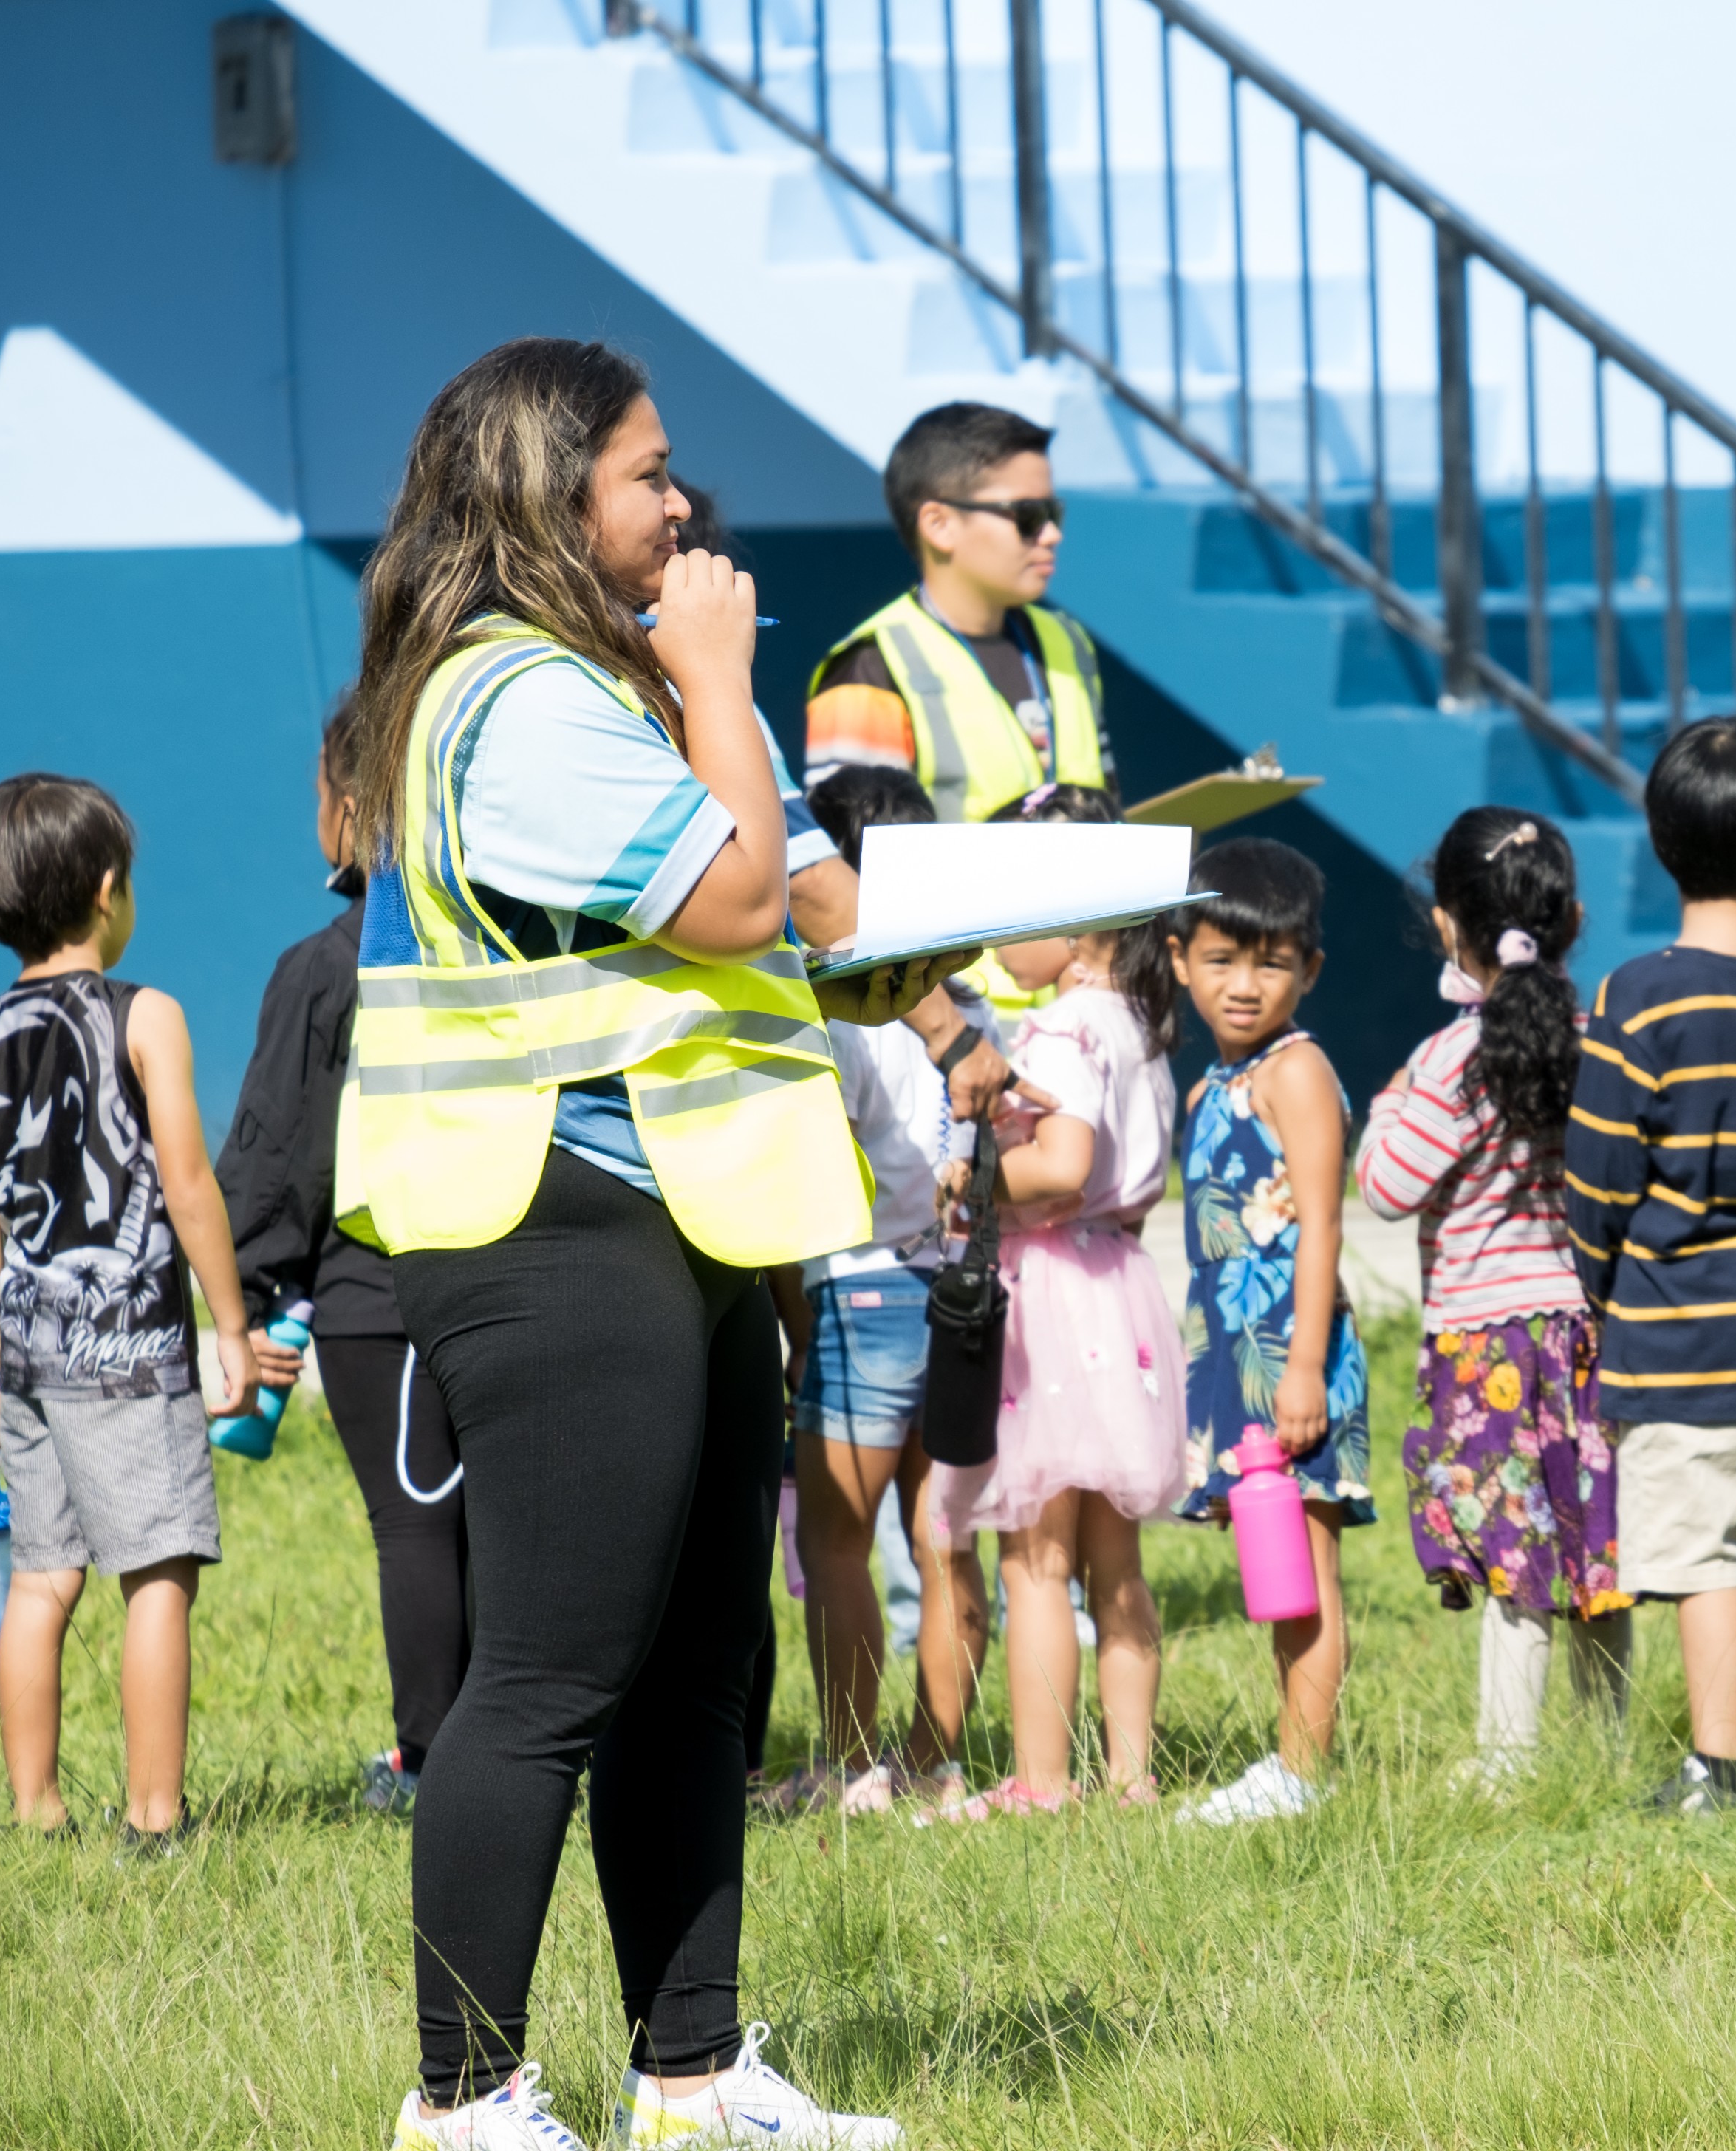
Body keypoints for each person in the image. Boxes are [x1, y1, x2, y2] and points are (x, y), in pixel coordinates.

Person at [337, 338, 954, 2149]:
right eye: (648, 473)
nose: (682, 506)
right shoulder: (513, 693)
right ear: (548, 494)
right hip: (546, 1212)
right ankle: (464, 2099)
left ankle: (691, 2077)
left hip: (677, 1207)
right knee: (548, 1675)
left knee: (701, 1673)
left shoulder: (604, 680)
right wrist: (722, 678)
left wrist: (887, 935)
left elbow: (790, 900)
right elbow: (743, 893)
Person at [0, 774, 253, 1849]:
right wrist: (229, 1324)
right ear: (108, 890)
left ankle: (35, 1810)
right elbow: (189, 1183)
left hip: (31, 1357)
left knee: (41, 1579)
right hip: (130, 1359)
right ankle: (154, 1819)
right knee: (157, 1573)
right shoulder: (146, 1015)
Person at [1567, 716, 1736, 1816]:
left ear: (1661, 843)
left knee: (1705, 1559)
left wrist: (1599, 1283)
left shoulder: (1638, 994)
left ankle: (1719, 1772)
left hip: (1682, 1328)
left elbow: (1599, 1174)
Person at [214, 696, 462, 1817]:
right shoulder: (491, 949)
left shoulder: (327, 965)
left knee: (412, 1521)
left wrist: (253, 1292)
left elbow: (278, 1150)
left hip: (378, 1287)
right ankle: (520, 1750)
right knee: (487, 1520)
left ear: (353, 808)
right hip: (501, 1259)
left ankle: (433, 1763)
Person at [1359, 808, 1630, 1782]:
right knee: (1598, 1551)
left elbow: (1385, 1186)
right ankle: (1606, 1754)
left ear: (1447, 925)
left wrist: (1392, 1097)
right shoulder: (1599, 1042)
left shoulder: (1448, 1062)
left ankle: (1509, 1766)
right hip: (1591, 1335)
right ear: (1573, 919)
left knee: (1517, 1559)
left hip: (1489, 1348)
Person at [934, 784, 1189, 1819]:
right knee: (1115, 1558)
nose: (999, 938)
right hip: (1118, 1287)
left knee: (1035, 1556)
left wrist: (973, 1181)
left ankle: (1041, 1781)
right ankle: (1131, 1773)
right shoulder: (1137, 1025)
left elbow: (1066, 1166)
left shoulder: (1063, 1029)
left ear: (1077, 926)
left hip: (1050, 1292)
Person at [760, 765, 994, 1822]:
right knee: (946, 1540)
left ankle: (854, 1765)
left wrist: (795, 1324)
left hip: (855, 1296)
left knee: (835, 1543)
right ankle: (936, 1764)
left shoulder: (839, 1017)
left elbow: (801, 1181)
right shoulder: (973, 1014)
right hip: (961, 1302)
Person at [1167, 838, 1373, 1825]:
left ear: (1311, 969)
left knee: (1308, 1572)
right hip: (1237, 1358)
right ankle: (1291, 1760)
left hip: (1294, 1355)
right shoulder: (1211, 1085)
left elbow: (1323, 1223)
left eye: (1272, 963)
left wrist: (1304, 1369)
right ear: (1180, 959)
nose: (1244, 985)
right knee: (1272, 1564)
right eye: (1221, 960)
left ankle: (1302, 1773)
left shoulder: (1297, 1072)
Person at [804, 401, 1107, 818]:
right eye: (1029, 515)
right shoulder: (872, 665)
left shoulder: (1069, 642)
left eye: (1054, 512)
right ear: (939, 525)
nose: (1052, 534)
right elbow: (858, 850)